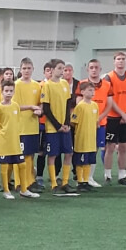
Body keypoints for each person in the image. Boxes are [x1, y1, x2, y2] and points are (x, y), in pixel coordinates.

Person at [0, 80, 37, 199]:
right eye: (6, 91)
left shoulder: (16, 106)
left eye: (11, 91)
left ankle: (24, 190)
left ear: (14, 92)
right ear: (2, 92)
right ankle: (6, 191)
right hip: (3, 142)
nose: (8, 93)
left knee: (22, 164)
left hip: (15, 142)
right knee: (5, 166)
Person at [40, 59, 75, 193]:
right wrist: (57, 125)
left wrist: (66, 123)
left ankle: (65, 182)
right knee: (52, 155)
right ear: (52, 69)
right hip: (52, 128)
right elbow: (46, 108)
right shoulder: (47, 86)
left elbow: (67, 105)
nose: (62, 71)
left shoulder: (65, 84)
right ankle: (54, 183)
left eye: (63, 68)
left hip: (64, 127)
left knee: (69, 153)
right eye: (59, 68)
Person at [103, 51, 126, 185]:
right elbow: (109, 99)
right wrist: (121, 114)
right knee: (110, 147)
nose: (121, 61)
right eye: (118, 59)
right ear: (114, 61)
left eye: (123, 59)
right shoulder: (108, 77)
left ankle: (122, 175)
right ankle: (107, 174)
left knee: (123, 147)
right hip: (112, 117)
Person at [78, 59, 113, 187]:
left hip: (100, 123)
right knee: (83, 149)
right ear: (88, 69)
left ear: (100, 69)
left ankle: (89, 177)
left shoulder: (107, 85)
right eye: (91, 67)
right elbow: (78, 103)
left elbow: (109, 104)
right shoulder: (81, 83)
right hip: (85, 124)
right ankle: (80, 177)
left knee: (95, 149)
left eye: (96, 67)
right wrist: (90, 118)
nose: (94, 70)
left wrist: (99, 118)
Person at [13, 57, 43, 194]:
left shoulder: (37, 85)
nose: (26, 71)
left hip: (32, 125)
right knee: (20, 155)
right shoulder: (16, 85)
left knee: (30, 155)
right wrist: (31, 107)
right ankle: (18, 183)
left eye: (29, 68)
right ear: (20, 70)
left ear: (33, 69)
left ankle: (30, 181)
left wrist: (39, 110)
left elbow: (40, 103)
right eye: (24, 68)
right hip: (20, 126)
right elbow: (14, 106)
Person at [71, 81, 100, 192]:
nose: (92, 92)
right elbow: (73, 121)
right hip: (82, 138)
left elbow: (96, 121)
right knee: (80, 161)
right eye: (89, 90)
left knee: (88, 160)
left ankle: (86, 181)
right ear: (82, 92)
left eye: (93, 90)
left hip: (91, 139)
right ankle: (80, 181)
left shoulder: (95, 105)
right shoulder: (80, 106)